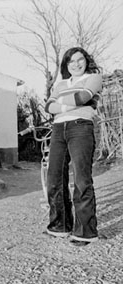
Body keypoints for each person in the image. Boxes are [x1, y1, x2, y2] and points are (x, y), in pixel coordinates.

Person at [44, 47, 102, 246]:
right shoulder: (61, 83)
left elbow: (82, 97)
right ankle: (60, 226)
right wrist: (68, 104)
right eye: (71, 61)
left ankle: (85, 232)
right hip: (59, 129)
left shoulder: (93, 78)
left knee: (81, 179)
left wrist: (61, 102)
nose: (76, 64)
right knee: (54, 177)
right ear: (66, 65)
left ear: (86, 61)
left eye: (80, 60)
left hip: (80, 128)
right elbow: (48, 107)